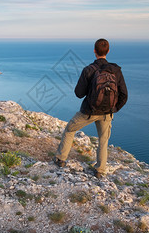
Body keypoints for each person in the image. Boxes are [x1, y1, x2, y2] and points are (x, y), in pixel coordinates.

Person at [54, 38, 128, 179]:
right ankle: (100, 170)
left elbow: (78, 93)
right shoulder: (116, 70)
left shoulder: (89, 70)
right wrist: (113, 109)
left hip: (89, 112)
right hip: (107, 113)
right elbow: (124, 95)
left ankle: (60, 159)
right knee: (103, 140)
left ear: (94, 51)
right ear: (108, 51)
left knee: (70, 129)